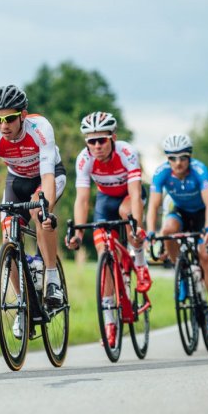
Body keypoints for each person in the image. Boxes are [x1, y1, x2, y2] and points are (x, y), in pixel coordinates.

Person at [0, 84, 66, 338]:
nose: (3, 125)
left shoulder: (40, 130)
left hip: (48, 176)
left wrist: (45, 209)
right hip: (16, 181)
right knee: (8, 234)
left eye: (9, 118)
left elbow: (48, 178)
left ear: (22, 114)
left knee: (37, 213)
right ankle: (23, 306)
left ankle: (52, 279)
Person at [65, 111, 152, 347]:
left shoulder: (126, 153)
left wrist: (137, 227)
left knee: (128, 215)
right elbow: (82, 200)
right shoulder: (84, 159)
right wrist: (78, 233)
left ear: (113, 138)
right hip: (105, 201)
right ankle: (110, 322)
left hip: (128, 197)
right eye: (91, 141)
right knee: (105, 254)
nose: (96, 146)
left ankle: (141, 264)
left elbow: (135, 193)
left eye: (101, 140)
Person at [145, 134, 208, 334]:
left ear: (189, 157)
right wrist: (151, 232)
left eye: (182, 158)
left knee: (207, 256)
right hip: (179, 211)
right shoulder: (161, 173)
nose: (178, 163)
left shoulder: (200, 170)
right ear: (167, 159)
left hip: (202, 214)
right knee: (168, 231)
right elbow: (154, 205)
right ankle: (180, 272)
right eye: (172, 158)